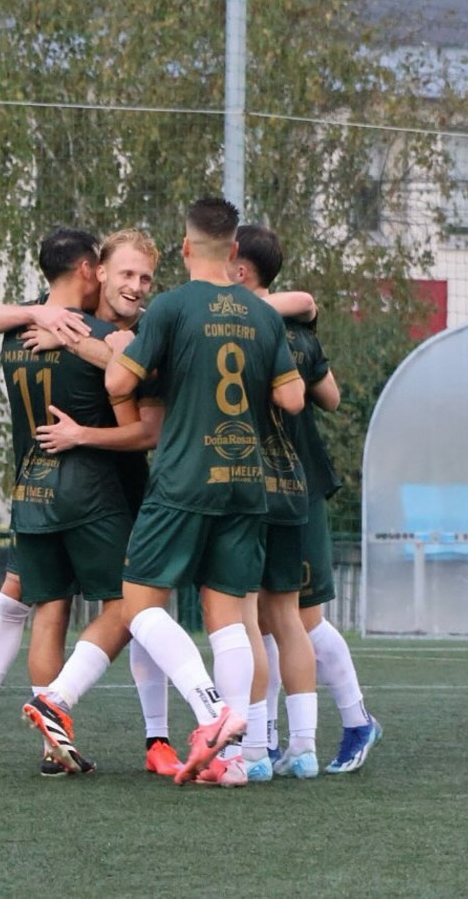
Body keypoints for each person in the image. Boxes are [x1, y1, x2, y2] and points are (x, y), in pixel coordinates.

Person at [0, 228, 180, 776]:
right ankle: (51, 723)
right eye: (126, 274)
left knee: (41, 603)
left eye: (145, 278)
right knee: (127, 604)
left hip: (45, 486)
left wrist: (56, 327)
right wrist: (50, 321)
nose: (136, 286)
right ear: (97, 271)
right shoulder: (70, 323)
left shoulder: (95, 329)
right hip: (90, 490)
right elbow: (143, 426)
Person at [102, 197, 305, 786]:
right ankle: (236, 762)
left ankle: (215, 713)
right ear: (235, 251)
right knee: (228, 619)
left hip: (185, 477)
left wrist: (146, 361)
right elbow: (292, 399)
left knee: (139, 607)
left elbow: (119, 379)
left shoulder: (169, 307)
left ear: (187, 248)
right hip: (247, 481)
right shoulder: (264, 315)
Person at [231, 223, 382, 775]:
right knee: (267, 615)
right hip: (276, 482)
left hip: (290, 484)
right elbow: (332, 398)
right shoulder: (289, 326)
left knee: (299, 615)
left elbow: (326, 393)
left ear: (240, 267)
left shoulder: (243, 326)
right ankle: (267, 738)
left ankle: (355, 719)